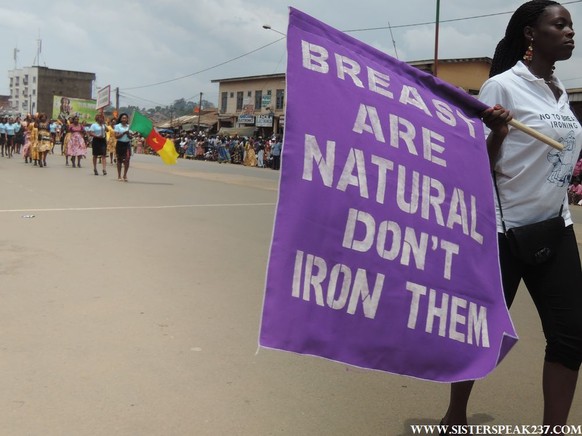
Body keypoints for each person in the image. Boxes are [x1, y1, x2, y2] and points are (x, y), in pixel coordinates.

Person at [440, 1, 581, 433]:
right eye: (560, 25)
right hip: (503, 234)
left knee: (570, 337)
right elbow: (472, 166)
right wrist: (498, 134)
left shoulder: (559, 91)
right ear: (531, 34)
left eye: (571, 25)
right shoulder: (502, 87)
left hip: (556, 228)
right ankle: (456, 414)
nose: (571, 32)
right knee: (483, 332)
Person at [114, 113, 132, 181]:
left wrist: (128, 134)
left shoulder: (129, 126)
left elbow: (131, 137)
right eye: (123, 118)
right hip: (120, 144)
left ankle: (125, 175)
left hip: (127, 144)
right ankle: (119, 175)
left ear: (127, 119)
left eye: (125, 118)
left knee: (127, 160)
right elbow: (116, 136)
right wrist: (124, 133)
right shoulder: (117, 126)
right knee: (119, 160)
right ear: (121, 119)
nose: (124, 119)